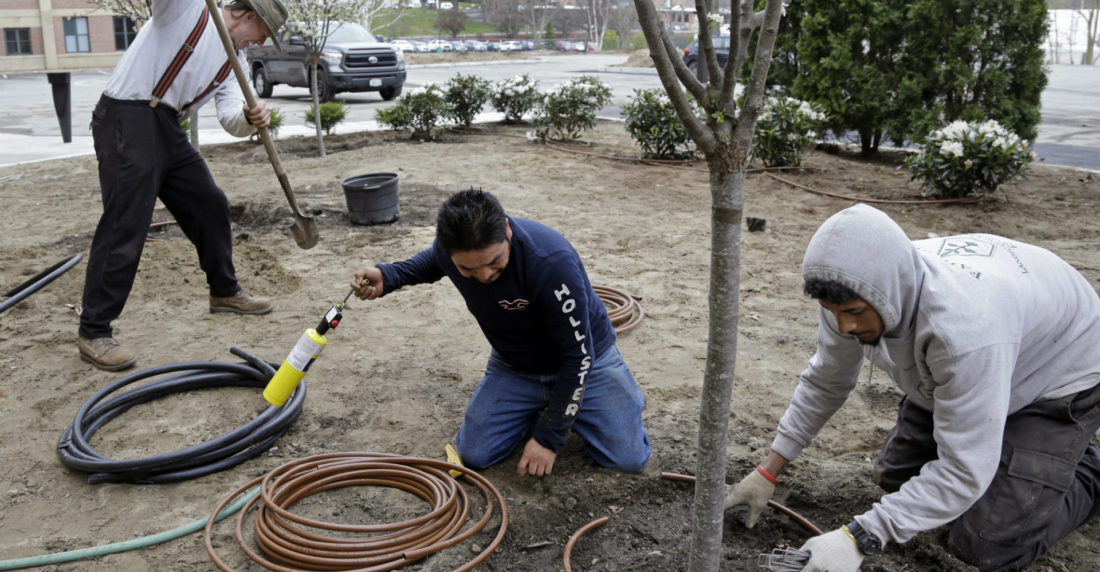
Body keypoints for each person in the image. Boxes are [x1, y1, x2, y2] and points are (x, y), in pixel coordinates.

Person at [724, 204, 1100, 571]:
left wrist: (860, 537)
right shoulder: (850, 290)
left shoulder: (962, 333)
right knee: (897, 480)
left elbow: (964, 472)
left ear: (888, 294)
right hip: (982, 363)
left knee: (985, 545)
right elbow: (826, 381)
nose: (844, 327)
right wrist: (768, 470)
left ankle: (1085, 470)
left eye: (853, 313)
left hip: (1058, 374)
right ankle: (1012, 449)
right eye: (833, 312)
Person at [350, 189, 651, 476]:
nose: (484, 275)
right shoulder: (448, 250)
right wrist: (389, 276)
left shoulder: (550, 262)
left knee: (628, 460)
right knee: (475, 454)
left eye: (494, 262)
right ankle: (537, 407)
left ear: (507, 230)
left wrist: (549, 438)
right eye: (468, 270)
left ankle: (611, 400)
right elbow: (431, 261)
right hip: (516, 366)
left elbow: (578, 356)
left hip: (587, 362)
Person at [78, 0, 288, 371]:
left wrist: (248, 117)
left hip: (167, 126)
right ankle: (94, 331)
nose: (261, 43)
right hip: (127, 115)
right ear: (248, 16)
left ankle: (224, 292)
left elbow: (230, 117)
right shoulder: (190, 9)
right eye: (263, 33)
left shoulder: (234, 61)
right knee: (126, 221)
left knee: (209, 203)